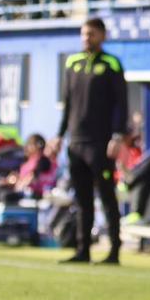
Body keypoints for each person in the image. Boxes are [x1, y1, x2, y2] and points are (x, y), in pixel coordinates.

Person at [52, 17, 128, 264]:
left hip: (101, 142)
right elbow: (67, 105)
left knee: (106, 196)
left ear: (102, 36)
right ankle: (82, 250)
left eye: (92, 34)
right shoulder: (72, 63)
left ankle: (114, 251)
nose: (87, 38)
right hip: (76, 142)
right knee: (82, 199)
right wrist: (59, 135)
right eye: (84, 34)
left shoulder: (111, 64)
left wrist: (117, 136)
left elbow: (121, 105)